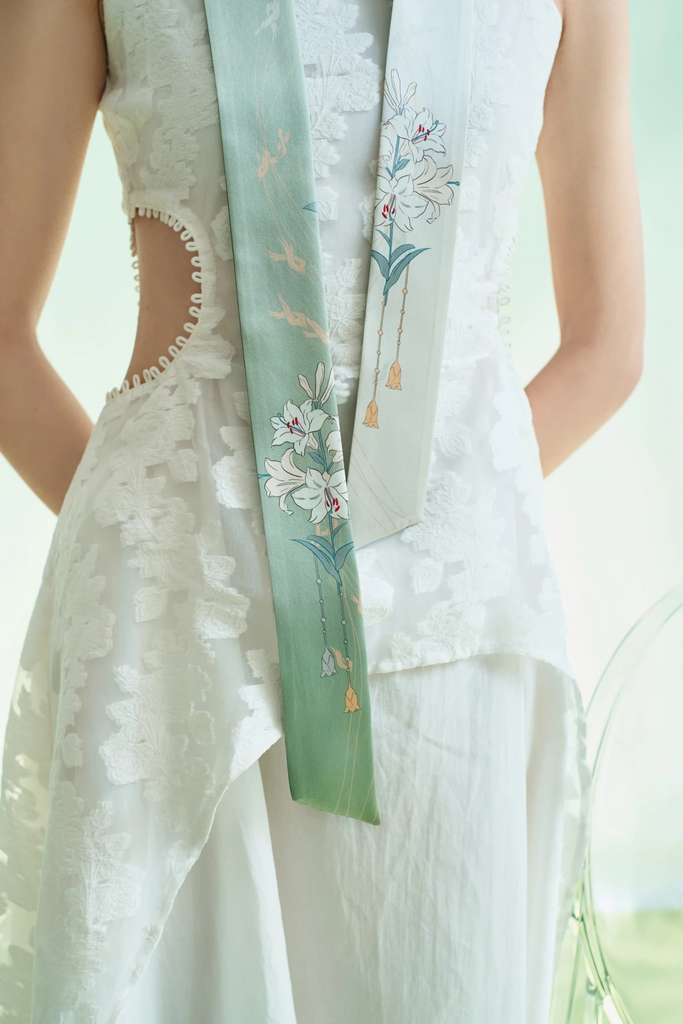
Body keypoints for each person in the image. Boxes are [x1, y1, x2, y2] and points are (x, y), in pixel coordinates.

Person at [0, 0, 644, 1021]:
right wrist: (162, 534)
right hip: (174, 628)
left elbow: (608, 344)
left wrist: (429, 524)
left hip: (448, 635)